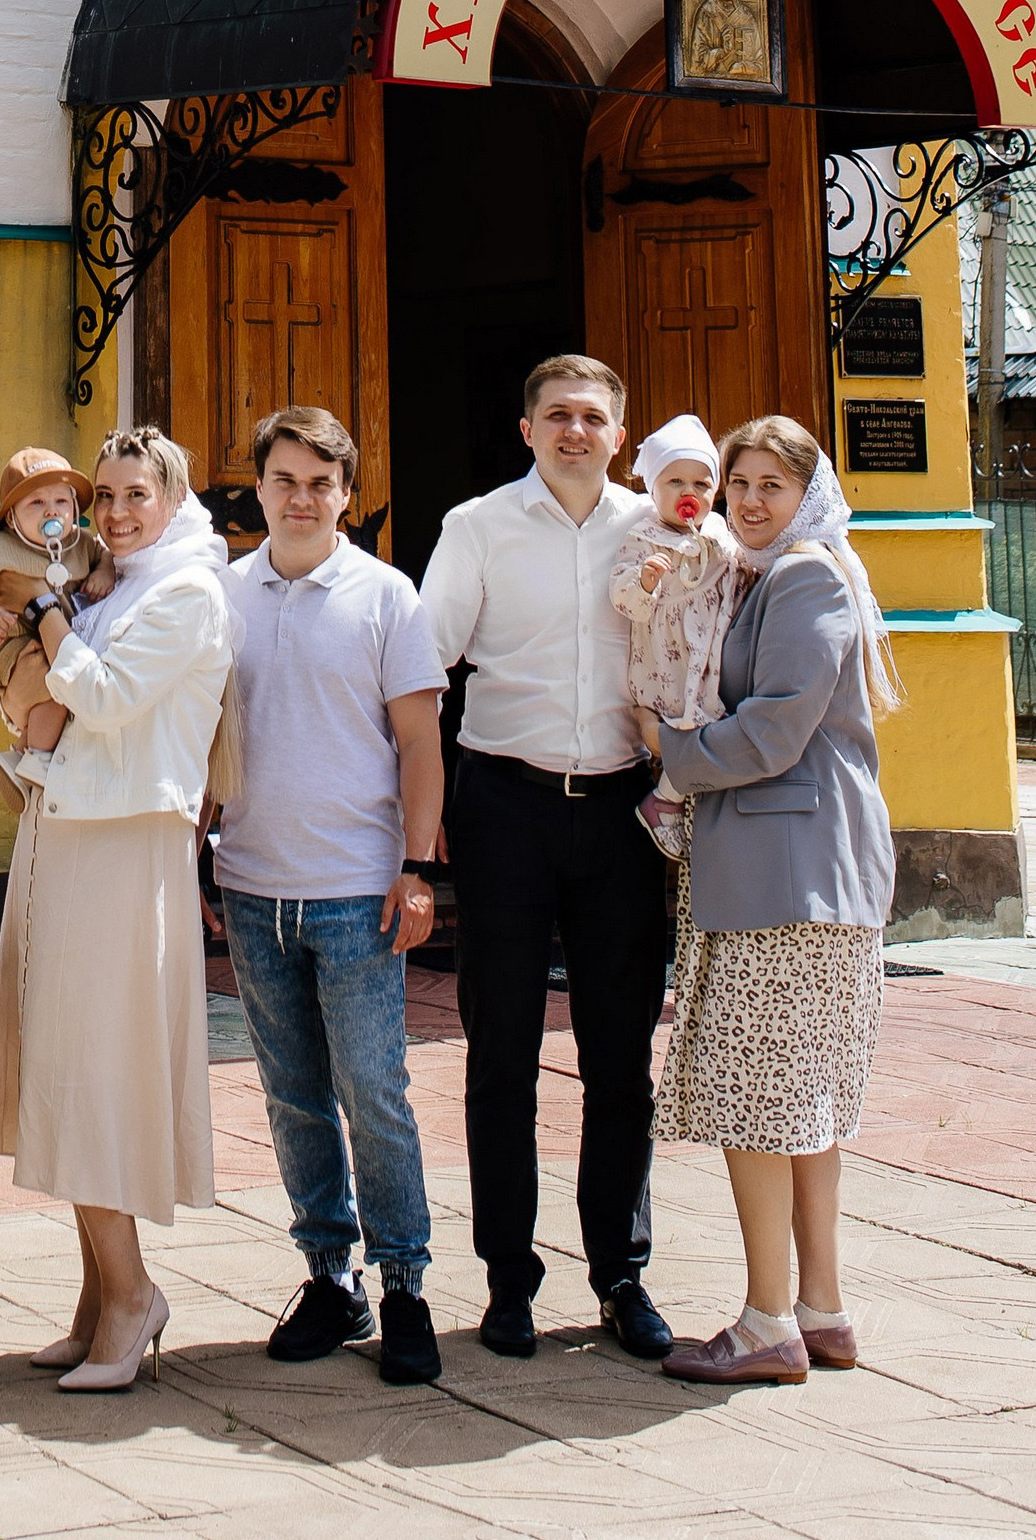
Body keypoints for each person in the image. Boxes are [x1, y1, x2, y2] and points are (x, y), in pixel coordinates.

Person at [420, 354, 672, 1364]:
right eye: (558, 415)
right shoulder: (477, 527)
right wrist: (420, 814)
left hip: (620, 814)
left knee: (621, 1057)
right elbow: (423, 663)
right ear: (527, 430)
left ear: (620, 433)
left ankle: (621, 1274)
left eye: (593, 417)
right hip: (505, 809)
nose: (575, 431)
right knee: (501, 1055)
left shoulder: (659, 530)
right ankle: (507, 1281)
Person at [655, 417, 901, 1387]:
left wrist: (672, 753)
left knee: (760, 1105)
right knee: (804, 1106)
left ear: (808, 494)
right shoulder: (776, 574)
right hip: (801, 875)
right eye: (739, 483)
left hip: (786, 879)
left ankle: (766, 1324)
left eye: (772, 485)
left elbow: (776, 729)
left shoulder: (804, 578)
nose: (750, 501)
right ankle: (821, 1310)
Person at [0, 423, 235, 1393]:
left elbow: (100, 699)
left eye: (139, 495)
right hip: (67, 828)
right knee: (60, 1059)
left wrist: (47, 616)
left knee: (94, 1067)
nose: (119, 513)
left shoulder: (188, 593)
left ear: (173, 501)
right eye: (107, 497)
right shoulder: (114, 587)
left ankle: (133, 1297)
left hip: (126, 844)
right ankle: (97, 1298)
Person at [208, 404, 447, 1383]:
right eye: (285, 481)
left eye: (320, 483)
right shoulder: (223, 594)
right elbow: (200, 733)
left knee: (374, 1091)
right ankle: (329, 1278)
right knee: (294, 1097)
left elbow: (420, 741)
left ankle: (404, 1287)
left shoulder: (386, 595)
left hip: (358, 891)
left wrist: (418, 868)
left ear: (347, 495)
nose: (301, 499)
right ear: (259, 490)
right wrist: (192, 859)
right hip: (252, 886)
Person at [610, 415, 742, 858]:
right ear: (654, 489)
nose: (690, 492)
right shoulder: (642, 537)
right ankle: (666, 800)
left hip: (709, 654)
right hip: (666, 658)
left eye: (702, 484)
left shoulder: (720, 532)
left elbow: (739, 573)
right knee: (680, 728)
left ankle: (669, 800)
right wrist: (645, 582)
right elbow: (623, 598)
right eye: (676, 481)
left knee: (709, 721)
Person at [0, 447, 115, 783]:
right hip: (7, 643)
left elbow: (107, 556)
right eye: (36, 503)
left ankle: (20, 754)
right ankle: (36, 763)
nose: (51, 511)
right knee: (55, 679)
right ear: (11, 517)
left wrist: (104, 572)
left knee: (62, 679)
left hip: (52, 643)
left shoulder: (81, 545)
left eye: (61, 501)